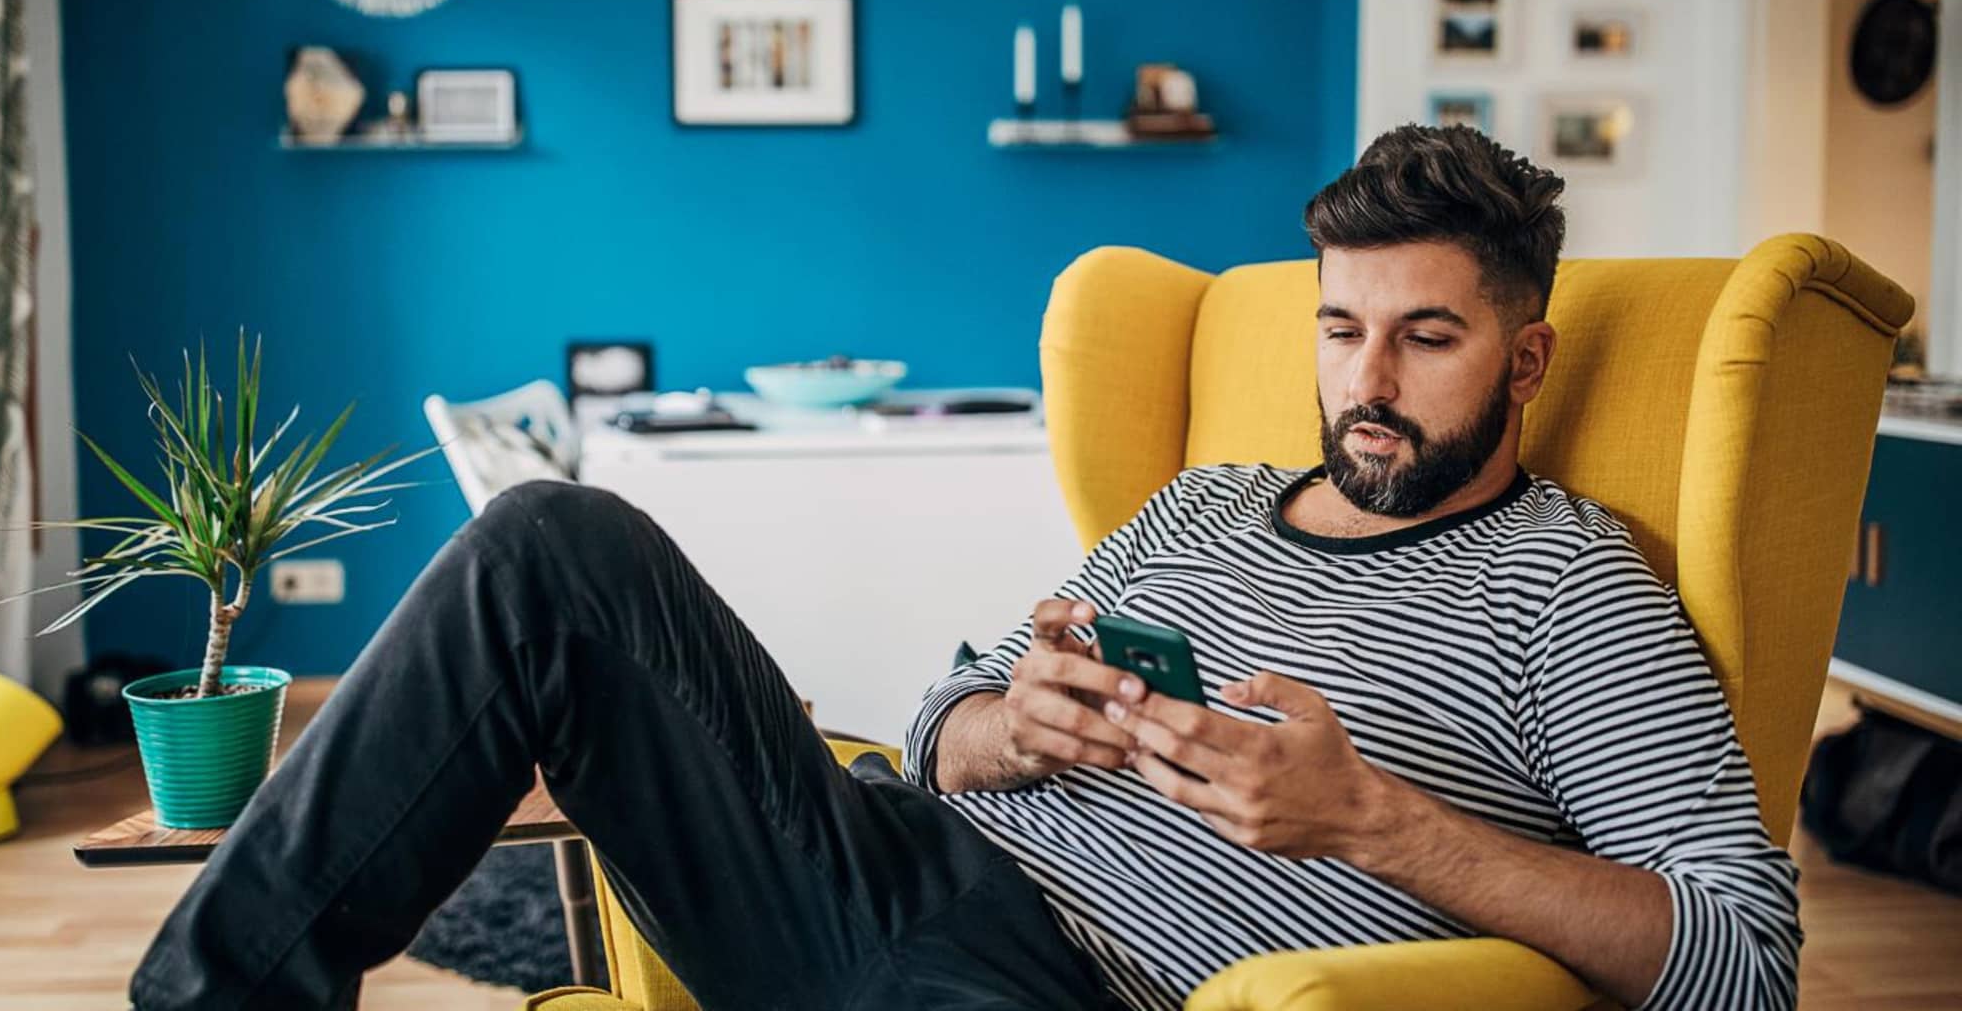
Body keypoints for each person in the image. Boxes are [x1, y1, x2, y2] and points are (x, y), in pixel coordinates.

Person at [131, 125, 1800, 1011]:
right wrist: (1023, 718)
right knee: (550, 542)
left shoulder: (1572, 590)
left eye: (1426, 338)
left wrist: (1373, 821)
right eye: (1341, 328)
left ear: (1526, 360)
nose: (1366, 383)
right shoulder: (1211, 503)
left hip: (1067, 991)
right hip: (874, 857)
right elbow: (944, 708)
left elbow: (1742, 961)